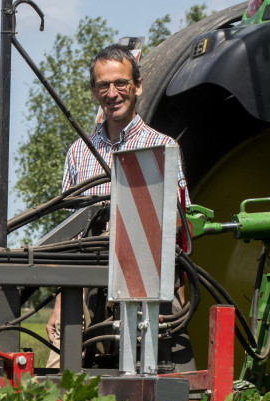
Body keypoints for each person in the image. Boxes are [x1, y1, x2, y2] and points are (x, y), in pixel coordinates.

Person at [46, 44, 193, 371]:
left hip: (149, 285)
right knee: (60, 373)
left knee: (171, 379)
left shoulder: (163, 147)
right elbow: (69, 239)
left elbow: (179, 227)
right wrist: (60, 303)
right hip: (85, 286)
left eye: (121, 83)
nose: (112, 93)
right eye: (103, 85)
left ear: (137, 86)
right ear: (94, 92)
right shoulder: (79, 153)